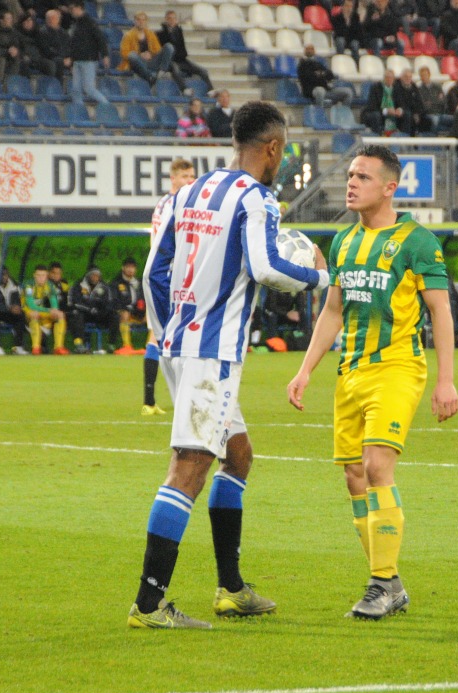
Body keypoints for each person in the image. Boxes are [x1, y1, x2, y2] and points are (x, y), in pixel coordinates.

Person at [129, 101, 329, 629]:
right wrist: (319, 277)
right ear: (273, 148)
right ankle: (149, 606)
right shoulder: (257, 198)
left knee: (237, 456)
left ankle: (231, 589)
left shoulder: (186, 194)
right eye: (282, 150)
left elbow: (154, 270)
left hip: (178, 346)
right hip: (211, 354)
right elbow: (264, 266)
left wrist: (169, 330)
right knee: (189, 469)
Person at [287, 144, 458, 620]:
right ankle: (393, 582)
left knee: (377, 464)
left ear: (389, 187)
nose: (351, 183)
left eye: (362, 176)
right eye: (351, 175)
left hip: (398, 368)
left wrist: (446, 381)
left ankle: (379, 584)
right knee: (354, 477)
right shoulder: (343, 242)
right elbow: (334, 311)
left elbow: (441, 312)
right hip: (352, 372)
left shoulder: (418, 242)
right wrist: (305, 370)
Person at [141, 157, 195, 416]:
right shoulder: (170, 204)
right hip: (167, 279)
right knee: (163, 335)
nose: (189, 181)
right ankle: (152, 400)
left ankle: (152, 401)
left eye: (192, 177)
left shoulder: (171, 203)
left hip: (172, 278)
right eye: (184, 177)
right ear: (172, 179)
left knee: (161, 335)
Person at [157, 9, 216, 97]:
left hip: (182, 59)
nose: (172, 20)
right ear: (166, 19)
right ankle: (184, 89)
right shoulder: (161, 34)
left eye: (174, 18)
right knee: (175, 70)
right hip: (171, 61)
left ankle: (211, 89)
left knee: (202, 70)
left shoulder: (179, 32)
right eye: (170, 18)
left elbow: (182, 49)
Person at [68, 265, 120, 354]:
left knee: (114, 315)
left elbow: (110, 303)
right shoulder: (78, 285)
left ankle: (111, 344)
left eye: (97, 275)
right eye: (93, 275)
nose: (95, 277)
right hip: (85, 314)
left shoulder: (104, 286)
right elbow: (74, 303)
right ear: (88, 275)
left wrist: (102, 309)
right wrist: (90, 309)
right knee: (76, 314)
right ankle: (79, 344)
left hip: (99, 315)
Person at [66, 0, 109, 105]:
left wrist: (105, 55)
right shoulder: (76, 23)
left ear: (79, 8)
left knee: (89, 89)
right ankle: (79, 112)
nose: (71, 11)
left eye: (73, 8)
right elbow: (73, 44)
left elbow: (100, 39)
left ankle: (107, 105)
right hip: (77, 60)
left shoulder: (90, 22)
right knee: (76, 90)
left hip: (88, 60)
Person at [118, 11, 174, 89]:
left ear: (146, 22)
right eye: (139, 20)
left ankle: (162, 71)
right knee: (132, 55)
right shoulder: (128, 35)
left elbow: (157, 50)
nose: (141, 22)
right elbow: (124, 53)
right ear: (135, 21)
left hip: (151, 61)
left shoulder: (150, 34)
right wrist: (140, 55)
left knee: (169, 46)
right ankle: (150, 77)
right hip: (139, 63)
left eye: (143, 20)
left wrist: (150, 54)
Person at [22, 263, 69, 355]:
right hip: (26, 312)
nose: (41, 278)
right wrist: (49, 310)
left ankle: (58, 347)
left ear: (47, 276)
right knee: (34, 314)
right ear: (34, 275)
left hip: (41, 312)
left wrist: (55, 310)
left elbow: (54, 302)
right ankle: (36, 348)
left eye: (43, 275)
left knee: (60, 315)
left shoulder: (49, 285)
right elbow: (31, 306)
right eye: (38, 275)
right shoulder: (28, 286)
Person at [0, 267, 27, 355]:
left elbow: (17, 300)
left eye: (5, 274)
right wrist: (10, 308)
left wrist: (16, 307)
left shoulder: (14, 285)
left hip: (7, 313)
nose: (3, 277)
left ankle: (17, 347)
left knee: (21, 315)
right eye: (1, 275)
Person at [297, 43, 353, 108]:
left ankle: (343, 114)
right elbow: (309, 77)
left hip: (326, 89)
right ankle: (319, 114)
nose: (309, 50)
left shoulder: (318, 63)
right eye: (307, 49)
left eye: (311, 49)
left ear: (314, 51)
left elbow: (330, 75)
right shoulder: (302, 64)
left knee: (348, 92)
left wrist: (320, 74)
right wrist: (322, 75)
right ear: (304, 51)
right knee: (320, 91)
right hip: (311, 91)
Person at [112, 257, 146, 356]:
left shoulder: (139, 283)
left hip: (137, 313)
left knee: (152, 315)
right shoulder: (116, 283)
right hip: (122, 314)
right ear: (123, 268)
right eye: (128, 267)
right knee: (125, 313)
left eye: (133, 267)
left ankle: (150, 346)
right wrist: (125, 308)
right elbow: (114, 301)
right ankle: (127, 345)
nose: (130, 270)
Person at [361, 69, 401, 135]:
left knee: (406, 115)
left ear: (393, 79)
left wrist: (399, 110)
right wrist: (386, 111)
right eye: (387, 77)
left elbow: (400, 103)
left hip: (392, 112)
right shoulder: (376, 87)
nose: (389, 79)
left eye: (391, 78)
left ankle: (405, 140)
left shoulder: (396, 88)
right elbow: (372, 106)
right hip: (374, 112)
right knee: (376, 116)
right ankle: (378, 138)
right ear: (384, 78)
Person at [392, 68, 430, 135]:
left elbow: (419, 102)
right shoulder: (397, 87)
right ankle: (406, 139)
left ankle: (425, 142)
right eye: (406, 77)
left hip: (413, 111)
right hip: (401, 113)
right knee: (408, 115)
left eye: (410, 77)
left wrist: (418, 112)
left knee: (427, 118)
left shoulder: (414, 86)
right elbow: (400, 103)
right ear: (401, 77)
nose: (408, 78)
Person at [38, 8, 70, 80]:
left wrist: (68, 58)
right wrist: (63, 58)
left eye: (54, 18)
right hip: (50, 58)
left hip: (64, 58)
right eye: (50, 18)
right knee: (58, 61)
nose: (51, 20)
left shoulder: (63, 33)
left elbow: (69, 47)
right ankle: (59, 86)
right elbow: (46, 50)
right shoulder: (42, 32)